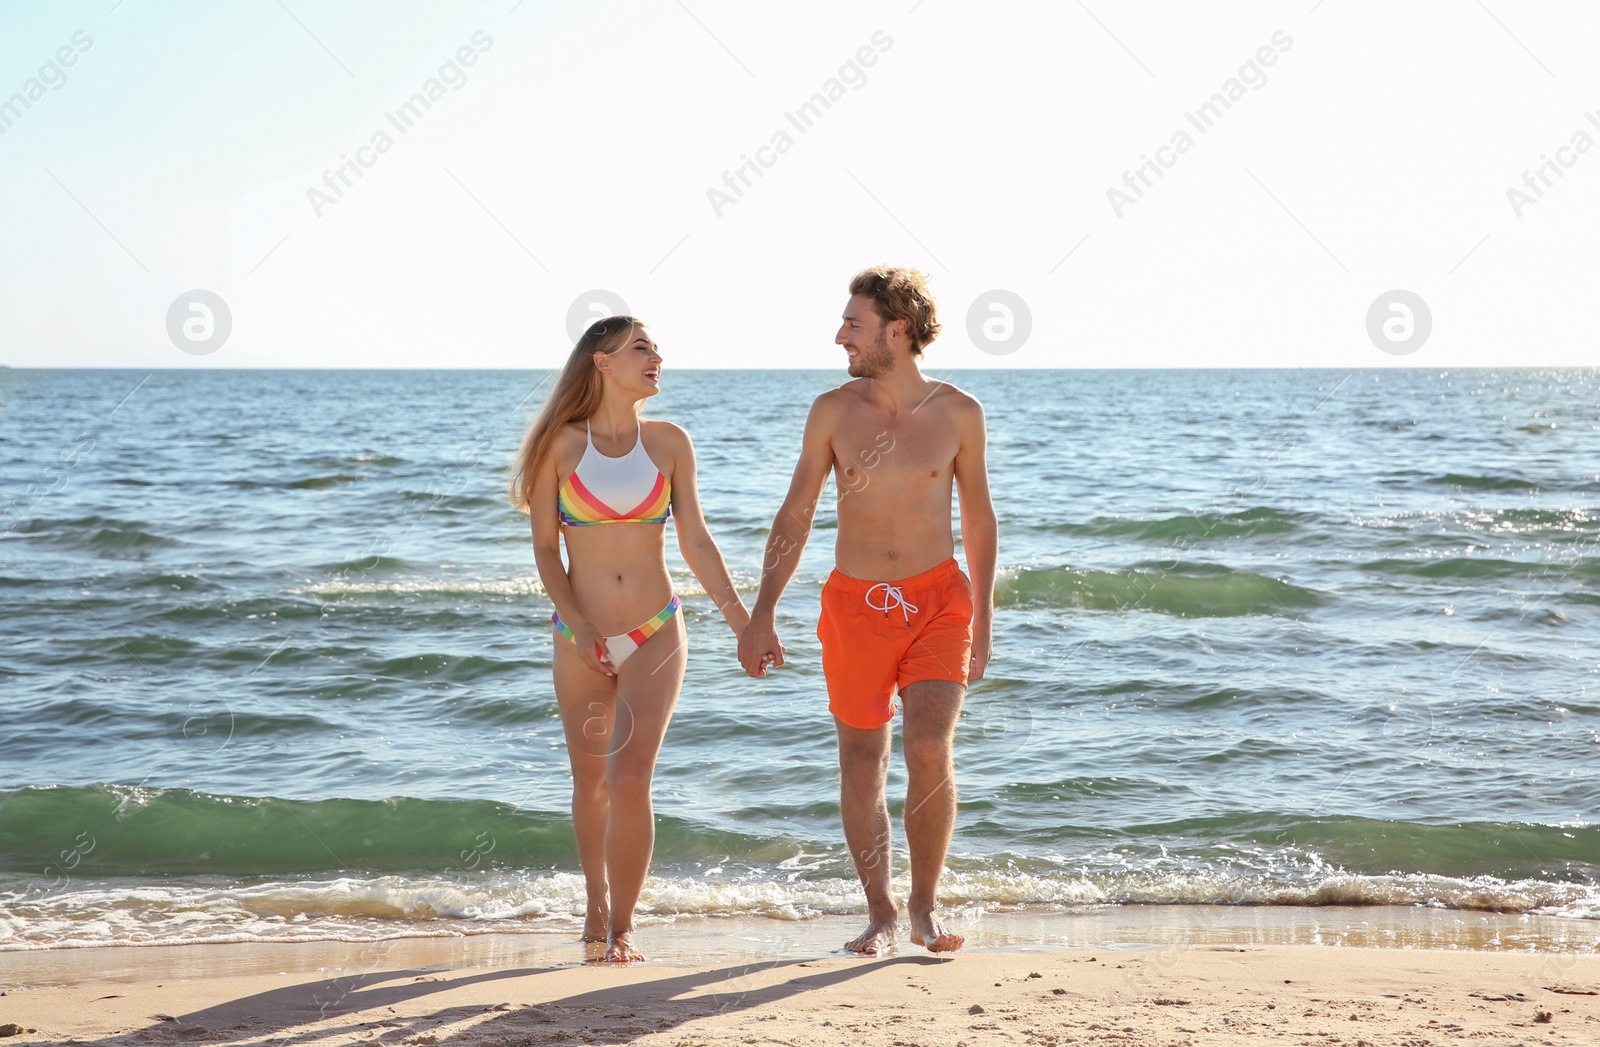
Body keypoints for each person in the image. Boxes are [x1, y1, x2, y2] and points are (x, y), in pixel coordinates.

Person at [738, 266, 997, 955]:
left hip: (940, 599)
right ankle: (880, 910)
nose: (839, 336)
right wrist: (763, 610)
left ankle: (924, 907)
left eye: (853, 324)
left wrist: (986, 618)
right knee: (862, 759)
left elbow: (978, 521)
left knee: (927, 745)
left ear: (897, 329)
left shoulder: (959, 413)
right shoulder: (832, 411)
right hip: (855, 605)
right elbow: (796, 513)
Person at [508, 315, 750, 962]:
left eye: (656, 347)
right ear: (601, 361)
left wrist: (743, 621)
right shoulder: (561, 446)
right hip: (577, 632)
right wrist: (580, 623)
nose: (656, 357)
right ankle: (593, 909)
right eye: (641, 347)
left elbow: (695, 540)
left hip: (655, 631)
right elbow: (543, 547)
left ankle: (624, 925)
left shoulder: (670, 443)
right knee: (591, 781)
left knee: (631, 776)